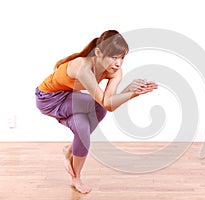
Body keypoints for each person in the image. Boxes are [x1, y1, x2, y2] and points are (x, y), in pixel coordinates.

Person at [35, 30, 158, 194]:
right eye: (114, 57)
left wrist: (131, 90)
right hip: (49, 99)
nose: (118, 63)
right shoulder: (82, 67)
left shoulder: (115, 71)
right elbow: (108, 104)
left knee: (83, 127)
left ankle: (71, 156)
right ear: (99, 53)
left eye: (122, 57)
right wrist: (132, 92)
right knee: (98, 108)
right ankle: (75, 175)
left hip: (69, 97)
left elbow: (108, 102)